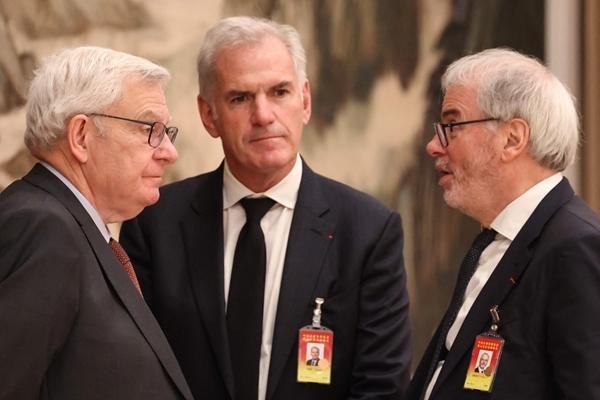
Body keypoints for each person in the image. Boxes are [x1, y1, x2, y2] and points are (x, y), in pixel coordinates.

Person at [120, 16, 411, 400]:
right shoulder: (155, 223)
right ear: (209, 115)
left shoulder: (368, 232)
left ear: (305, 101)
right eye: (240, 98)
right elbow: (136, 373)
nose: (263, 115)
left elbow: (381, 388)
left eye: (279, 92)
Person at [0, 46, 193, 400]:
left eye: (167, 132)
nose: (169, 151)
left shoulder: (70, 226)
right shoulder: (43, 228)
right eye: (150, 129)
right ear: (81, 136)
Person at [407, 48, 600, 399]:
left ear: (512, 139)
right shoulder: (493, 241)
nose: (434, 145)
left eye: (452, 126)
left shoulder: (575, 248)